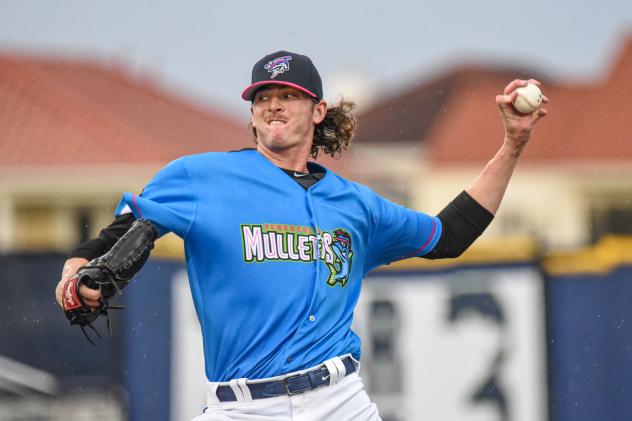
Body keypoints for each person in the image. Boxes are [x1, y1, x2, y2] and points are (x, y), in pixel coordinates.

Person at [55, 50, 548, 420]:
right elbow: (125, 230)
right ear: (251, 114)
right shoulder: (199, 178)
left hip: (339, 401)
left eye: (287, 95)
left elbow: (448, 236)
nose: (273, 105)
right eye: (262, 98)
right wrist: (78, 269)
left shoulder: (356, 205)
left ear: (317, 111)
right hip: (242, 407)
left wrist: (512, 144)